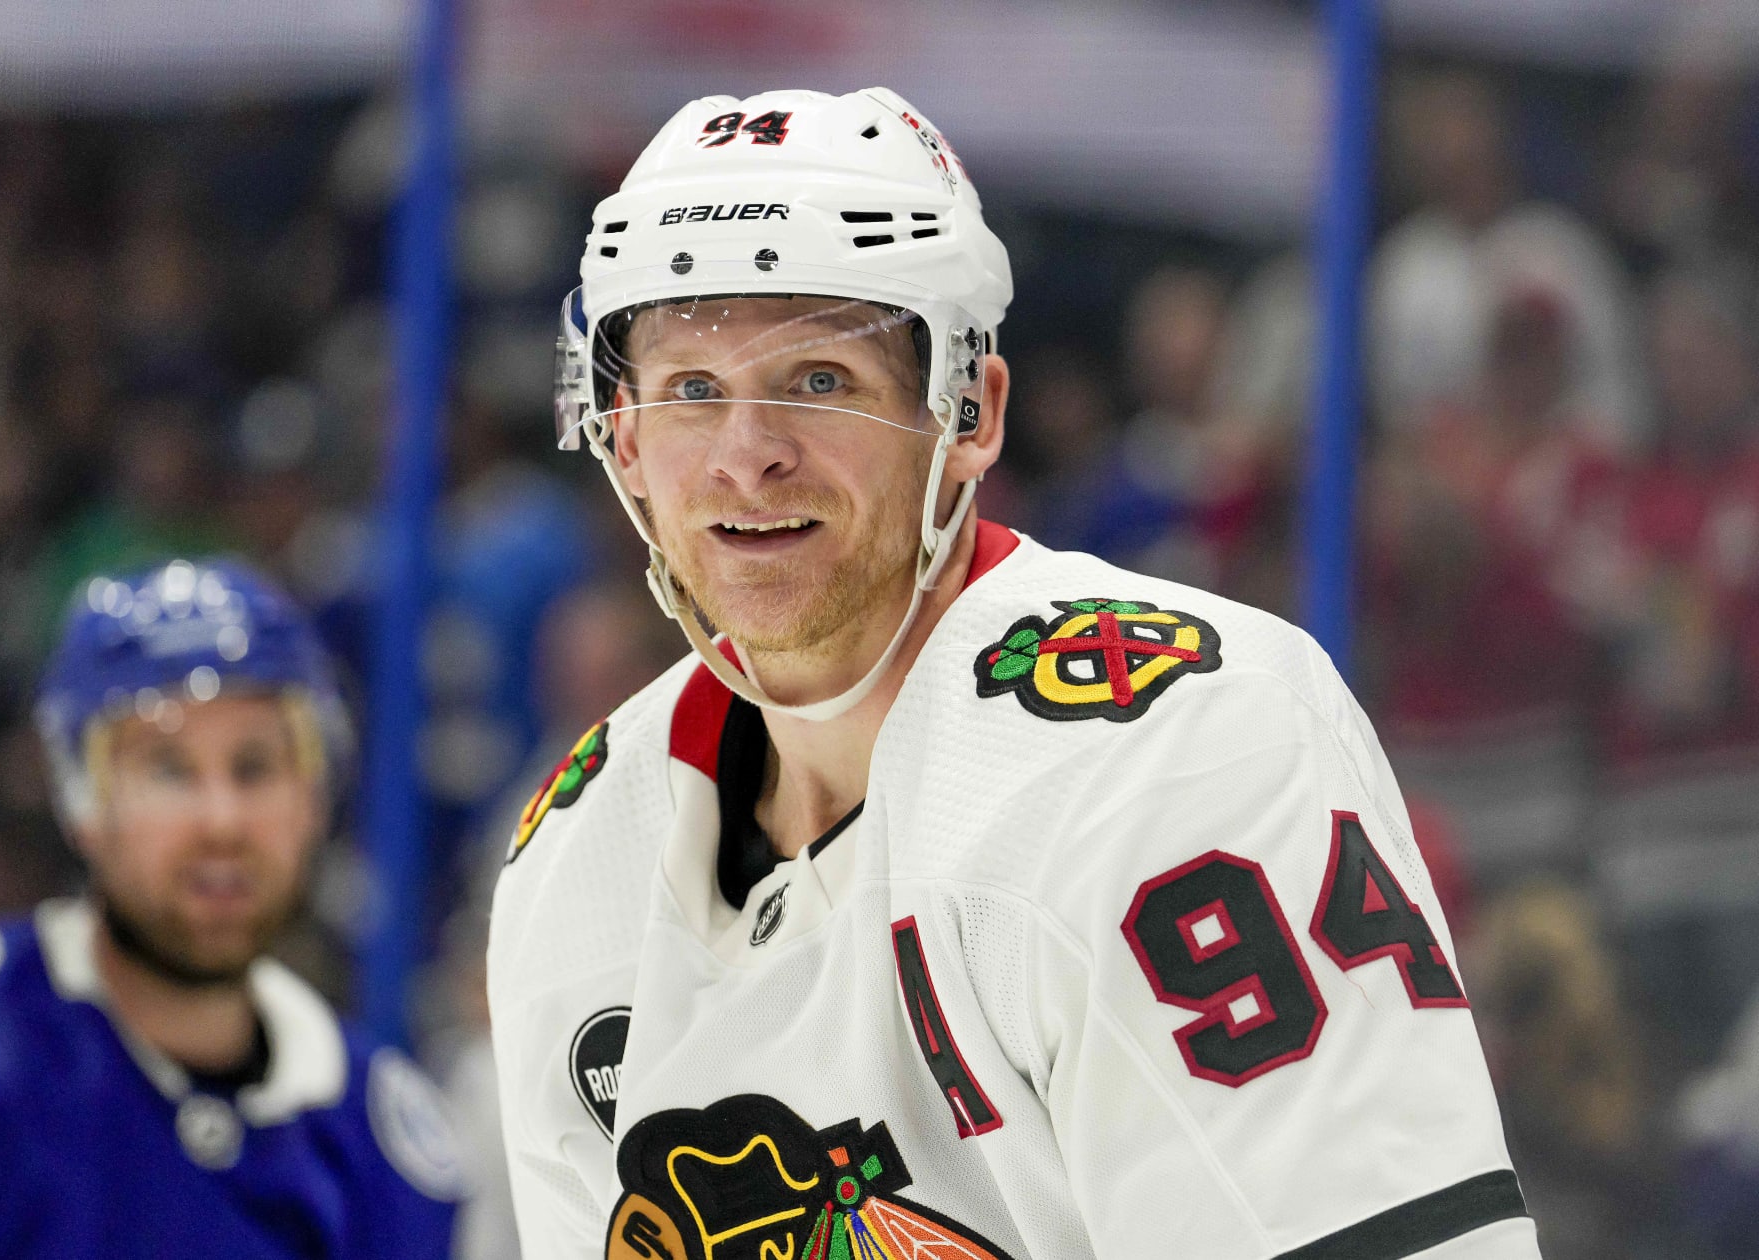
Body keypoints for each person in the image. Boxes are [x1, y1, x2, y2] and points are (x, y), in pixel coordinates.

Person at [489, 87, 1541, 1259]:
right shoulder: (579, 851)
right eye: (692, 392)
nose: (747, 458)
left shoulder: (1184, 741)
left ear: (971, 413)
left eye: (819, 380)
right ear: (621, 438)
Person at [0, 557, 465, 1258]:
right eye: (169, 770)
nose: (222, 821)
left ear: (314, 798)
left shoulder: (380, 1142)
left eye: (255, 767)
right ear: (82, 800)